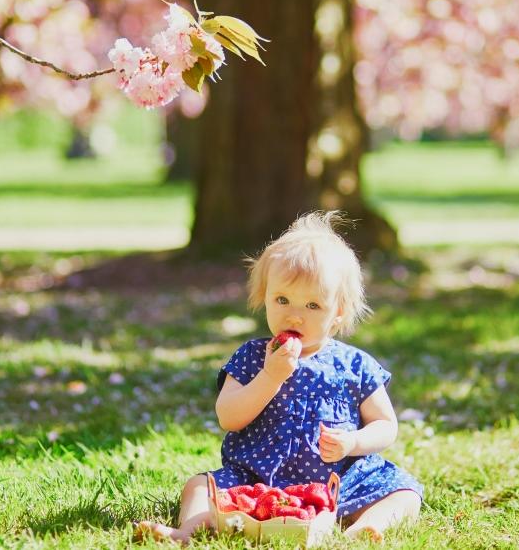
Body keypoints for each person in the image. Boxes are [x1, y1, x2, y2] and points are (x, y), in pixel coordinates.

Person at [134, 211, 423, 544]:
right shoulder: (252, 357)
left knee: (404, 492)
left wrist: (353, 443)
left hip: (336, 481)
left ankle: (362, 530)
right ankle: (189, 531)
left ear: (338, 312)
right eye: (282, 300)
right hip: (256, 480)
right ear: (264, 297)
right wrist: (270, 376)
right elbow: (229, 417)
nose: (294, 315)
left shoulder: (355, 364)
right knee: (198, 486)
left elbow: (386, 426)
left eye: (313, 305)